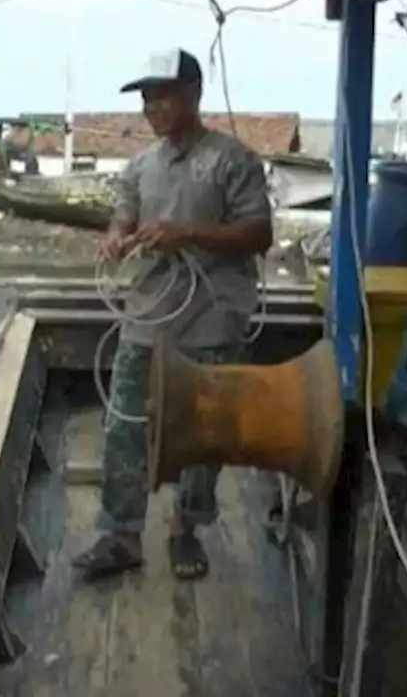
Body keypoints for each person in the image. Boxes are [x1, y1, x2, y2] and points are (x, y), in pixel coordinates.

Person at [72, 48, 273, 581]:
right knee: (125, 423)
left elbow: (259, 234)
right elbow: (123, 214)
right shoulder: (142, 166)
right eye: (145, 98)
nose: (151, 107)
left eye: (161, 95)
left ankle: (187, 527)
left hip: (212, 315)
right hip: (149, 311)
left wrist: (187, 233)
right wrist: (116, 238)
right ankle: (119, 533)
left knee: (203, 429)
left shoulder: (233, 160)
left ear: (193, 94)